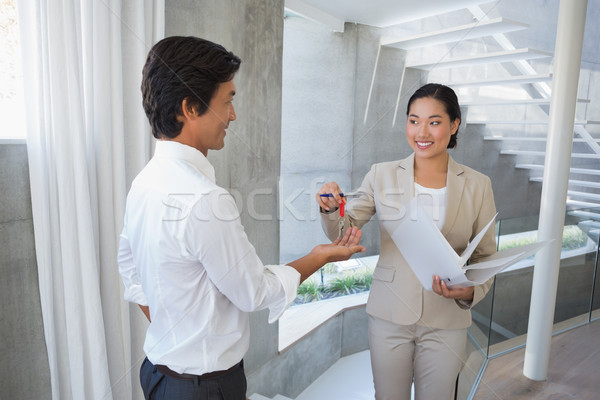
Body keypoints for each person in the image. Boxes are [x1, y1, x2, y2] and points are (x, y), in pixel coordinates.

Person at [118, 36, 365, 400]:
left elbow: (130, 269)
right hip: (204, 388)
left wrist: (174, 329)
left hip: (156, 374)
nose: (233, 115)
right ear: (189, 108)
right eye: (228, 101)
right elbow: (254, 292)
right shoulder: (204, 200)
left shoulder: (145, 181)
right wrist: (320, 255)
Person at [316, 83, 497, 400]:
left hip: (448, 317)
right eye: (413, 120)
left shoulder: (478, 185)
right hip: (390, 315)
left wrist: (471, 290)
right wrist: (331, 208)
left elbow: (485, 257)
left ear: (454, 125)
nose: (421, 132)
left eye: (434, 122)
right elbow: (343, 232)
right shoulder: (381, 175)